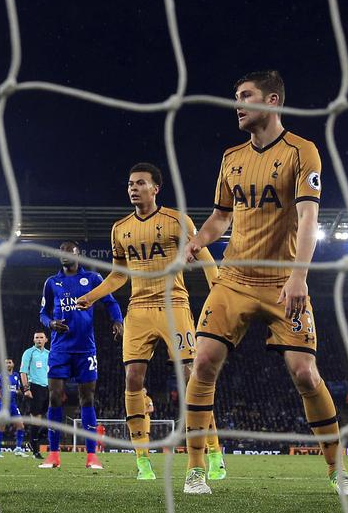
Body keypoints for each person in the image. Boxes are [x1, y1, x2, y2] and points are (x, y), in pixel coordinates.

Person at [180, 70, 348, 496]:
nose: (238, 104)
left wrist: (299, 276)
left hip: (284, 281)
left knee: (305, 374)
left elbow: (308, 217)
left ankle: (338, 471)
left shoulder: (303, 152)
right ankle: (195, 470)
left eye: (246, 96)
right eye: (235, 96)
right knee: (203, 362)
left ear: (273, 100)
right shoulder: (231, 157)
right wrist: (197, 242)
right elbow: (222, 216)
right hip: (234, 278)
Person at [75, 162, 224, 481]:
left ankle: (213, 451)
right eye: (130, 183)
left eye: (140, 183)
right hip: (139, 309)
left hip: (175, 304)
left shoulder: (176, 221)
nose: (133, 188)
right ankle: (142, 461)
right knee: (132, 379)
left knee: (191, 378)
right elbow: (118, 274)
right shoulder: (120, 228)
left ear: (156, 188)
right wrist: (93, 296)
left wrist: (218, 291)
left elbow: (205, 257)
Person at [37, 242, 123, 470]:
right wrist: (51, 323)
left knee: (88, 398)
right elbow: (43, 313)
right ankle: (53, 454)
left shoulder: (93, 279)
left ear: (78, 255)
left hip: (86, 349)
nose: (65, 255)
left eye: (69, 252)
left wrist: (117, 321)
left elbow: (110, 301)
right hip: (59, 350)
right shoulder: (51, 283)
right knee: (54, 397)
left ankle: (92, 456)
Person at [19, 330, 49, 458]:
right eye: (36, 337)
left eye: (41, 337)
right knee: (36, 419)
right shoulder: (29, 353)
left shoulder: (49, 354)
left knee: (50, 419)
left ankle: (33, 441)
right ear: (33, 340)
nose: (39, 340)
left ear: (45, 340)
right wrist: (26, 389)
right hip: (34, 387)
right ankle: (35, 450)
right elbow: (23, 372)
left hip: (47, 388)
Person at [0, 358, 27, 458]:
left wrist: (19, 391)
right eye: (6, 363)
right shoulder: (1, 375)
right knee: (2, 426)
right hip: (3, 405)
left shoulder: (16, 376)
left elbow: (18, 390)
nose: (8, 364)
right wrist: (1, 398)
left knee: (21, 425)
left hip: (13, 404)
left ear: (13, 364)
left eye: (9, 362)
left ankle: (18, 449)